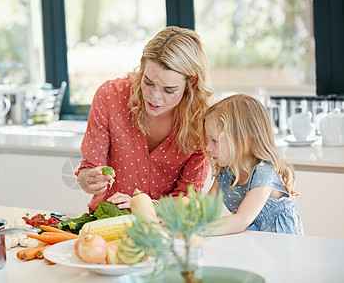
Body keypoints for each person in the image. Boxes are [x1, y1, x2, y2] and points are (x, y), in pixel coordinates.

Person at [75, 26, 214, 212]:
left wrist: (145, 206)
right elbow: (87, 172)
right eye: (148, 82)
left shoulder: (202, 122)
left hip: (165, 227)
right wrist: (88, 180)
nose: (154, 97)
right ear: (143, 67)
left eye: (168, 90)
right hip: (107, 222)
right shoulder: (110, 96)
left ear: (191, 83)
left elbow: (187, 199)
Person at [200, 94, 304, 235]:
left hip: (281, 246)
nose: (207, 147)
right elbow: (205, 209)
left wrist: (196, 230)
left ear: (245, 141)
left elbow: (242, 220)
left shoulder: (265, 172)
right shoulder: (226, 170)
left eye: (214, 141)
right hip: (253, 242)